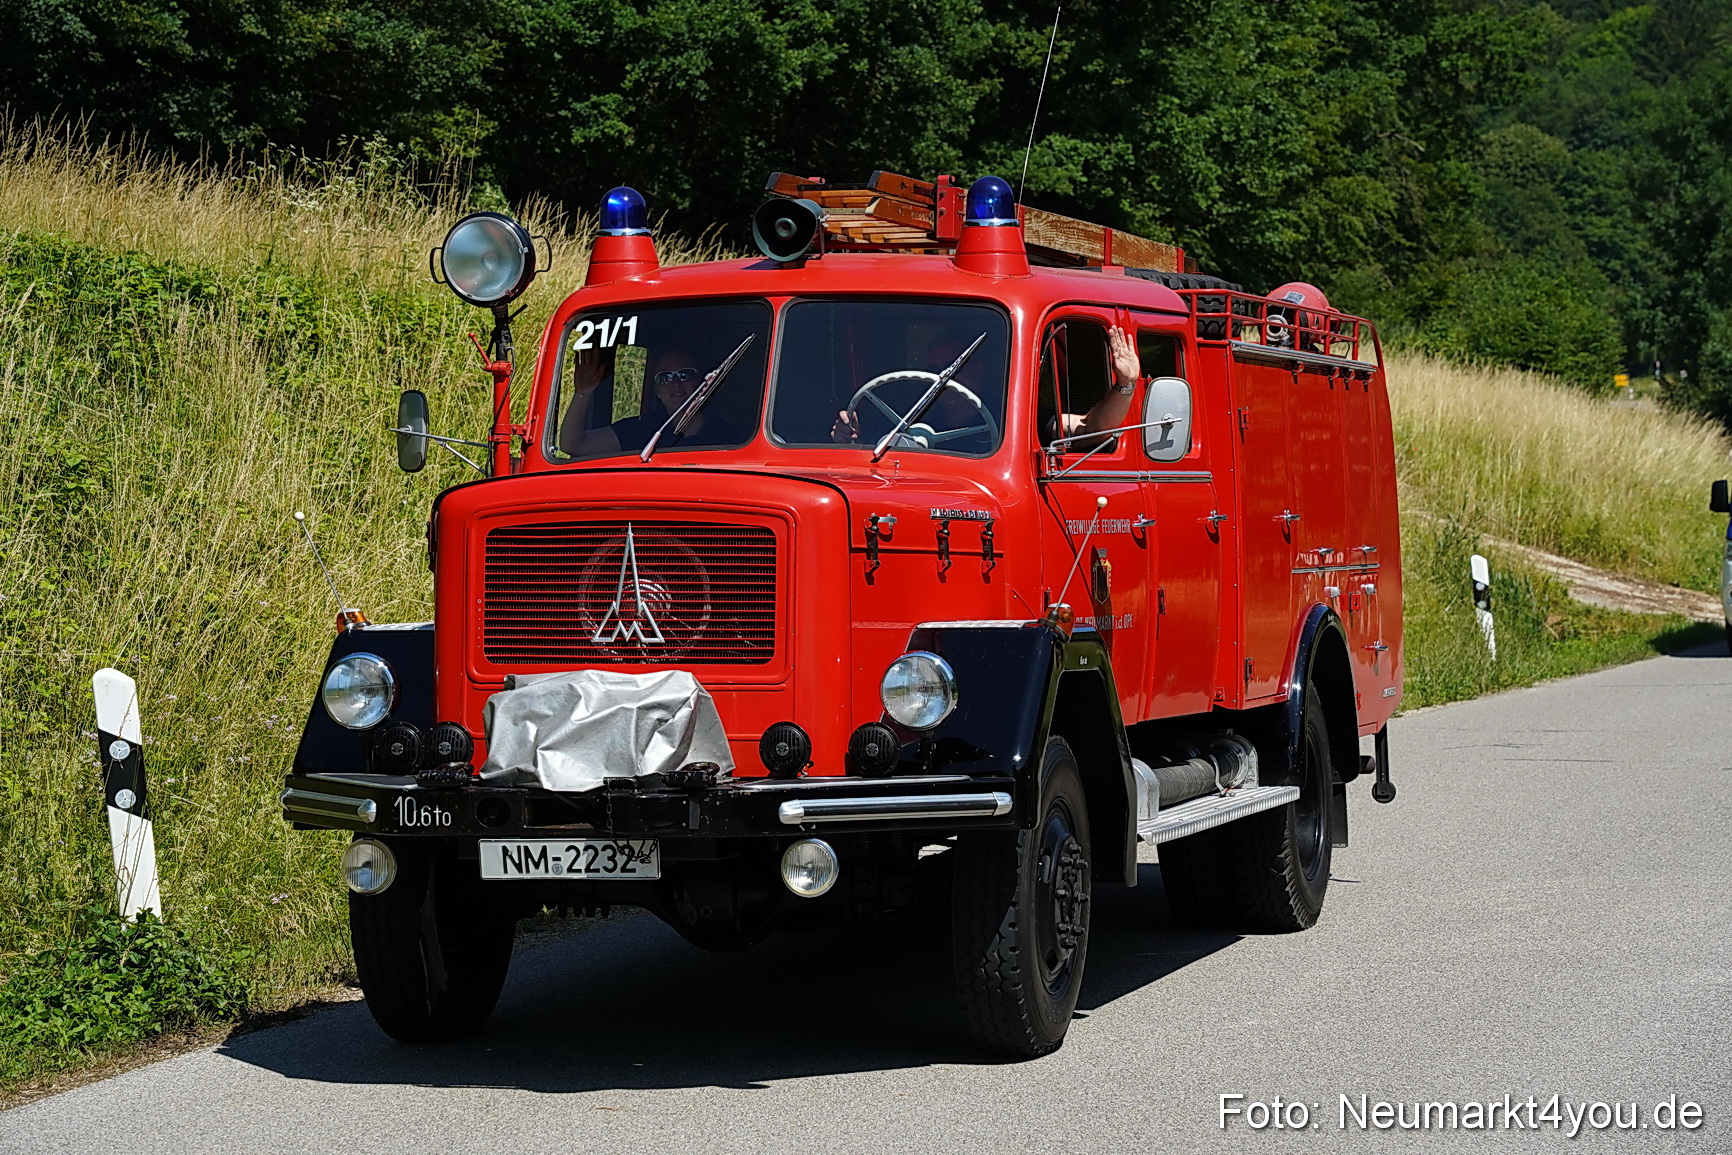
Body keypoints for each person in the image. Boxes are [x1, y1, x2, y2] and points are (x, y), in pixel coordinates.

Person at [828, 324, 1142, 448]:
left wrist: (1125, 383)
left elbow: (1093, 429)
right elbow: (870, 453)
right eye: (934, 370)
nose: (940, 378)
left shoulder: (1015, 417)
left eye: (951, 368)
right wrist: (848, 437)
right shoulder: (903, 416)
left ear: (975, 371)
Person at [559, 344, 748, 458]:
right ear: (656, 390)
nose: (675, 383)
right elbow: (573, 445)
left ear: (701, 382)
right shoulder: (643, 430)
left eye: (685, 375)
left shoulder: (729, 438)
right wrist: (583, 394)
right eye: (665, 377)